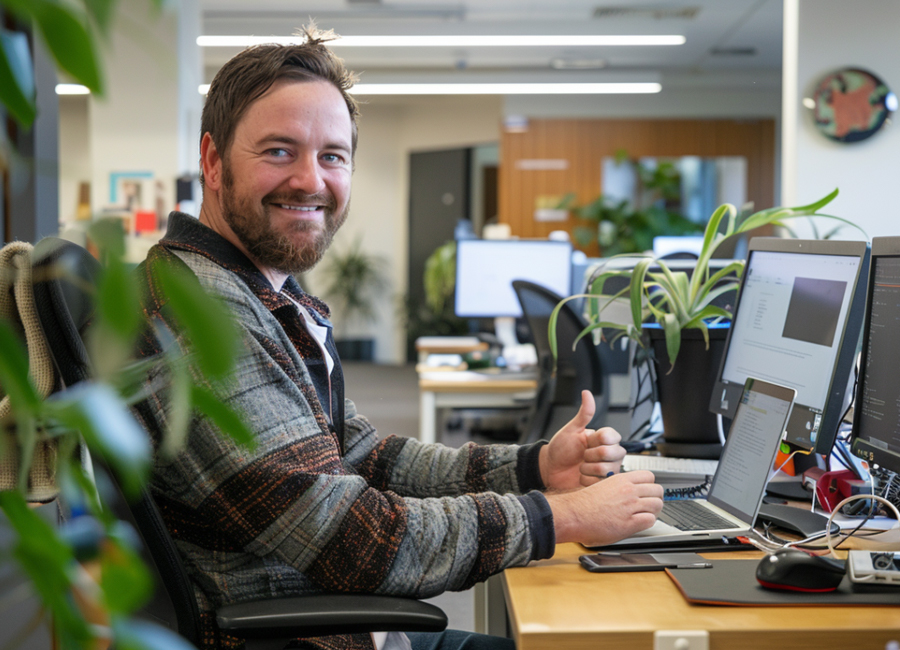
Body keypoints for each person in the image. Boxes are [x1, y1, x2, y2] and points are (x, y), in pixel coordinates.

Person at [133, 27, 664, 650]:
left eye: (332, 156)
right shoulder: (200, 313)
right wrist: (558, 516)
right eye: (279, 151)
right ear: (214, 160)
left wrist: (532, 466)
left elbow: (363, 456)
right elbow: (351, 541)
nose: (311, 180)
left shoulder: (257, 292)